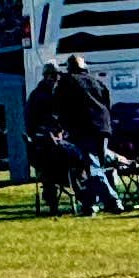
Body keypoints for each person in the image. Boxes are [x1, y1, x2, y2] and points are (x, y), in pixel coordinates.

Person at [31, 48, 121, 215]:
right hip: (103, 128)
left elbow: (59, 107)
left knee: (92, 167)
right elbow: (108, 102)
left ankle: (113, 200)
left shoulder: (67, 82)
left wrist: (62, 126)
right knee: (97, 166)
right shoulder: (96, 81)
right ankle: (89, 205)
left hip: (83, 129)